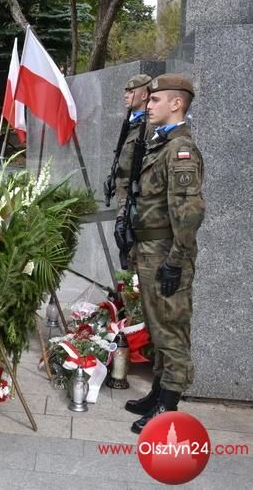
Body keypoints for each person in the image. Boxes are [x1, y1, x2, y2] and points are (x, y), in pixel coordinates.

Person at [124, 74, 205, 434]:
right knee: (158, 328)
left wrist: (176, 261)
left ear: (176, 104)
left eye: (156, 100)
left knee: (171, 331)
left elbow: (188, 213)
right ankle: (158, 392)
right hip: (150, 251)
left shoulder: (180, 150)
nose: (149, 105)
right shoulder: (161, 145)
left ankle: (168, 408)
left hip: (168, 255)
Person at [109, 74, 153, 269]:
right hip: (124, 203)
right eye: (126, 91)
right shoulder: (133, 124)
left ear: (145, 95)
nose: (126, 95)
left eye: (131, 91)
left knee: (137, 266)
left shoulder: (149, 128)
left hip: (137, 207)